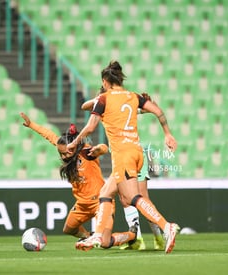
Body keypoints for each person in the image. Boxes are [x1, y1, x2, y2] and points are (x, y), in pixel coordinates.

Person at [68, 61, 179, 253]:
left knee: (132, 197)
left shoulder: (104, 99)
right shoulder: (133, 96)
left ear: (105, 81)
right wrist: (168, 134)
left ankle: (166, 226)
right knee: (105, 194)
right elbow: (158, 112)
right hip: (136, 151)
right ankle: (97, 235)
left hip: (122, 155)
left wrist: (74, 142)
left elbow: (91, 125)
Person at [20, 112, 137, 248]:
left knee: (105, 243)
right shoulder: (64, 147)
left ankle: (131, 235)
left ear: (74, 146)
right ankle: (89, 237)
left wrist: (98, 149)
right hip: (82, 204)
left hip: (101, 202)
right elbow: (49, 135)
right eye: (61, 153)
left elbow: (104, 149)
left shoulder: (86, 152)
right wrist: (31, 124)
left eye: (67, 152)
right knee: (69, 229)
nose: (64, 156)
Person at [81, 93, 166, 251]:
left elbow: (148, 110)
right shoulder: (104, 110)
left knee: (140, 198)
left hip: (130, 156)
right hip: (120, 159)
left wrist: (148, 104)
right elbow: (85, 106)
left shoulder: (119, 108)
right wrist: (98, 100)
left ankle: (159, 235)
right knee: (125, 198)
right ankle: (138, 239)